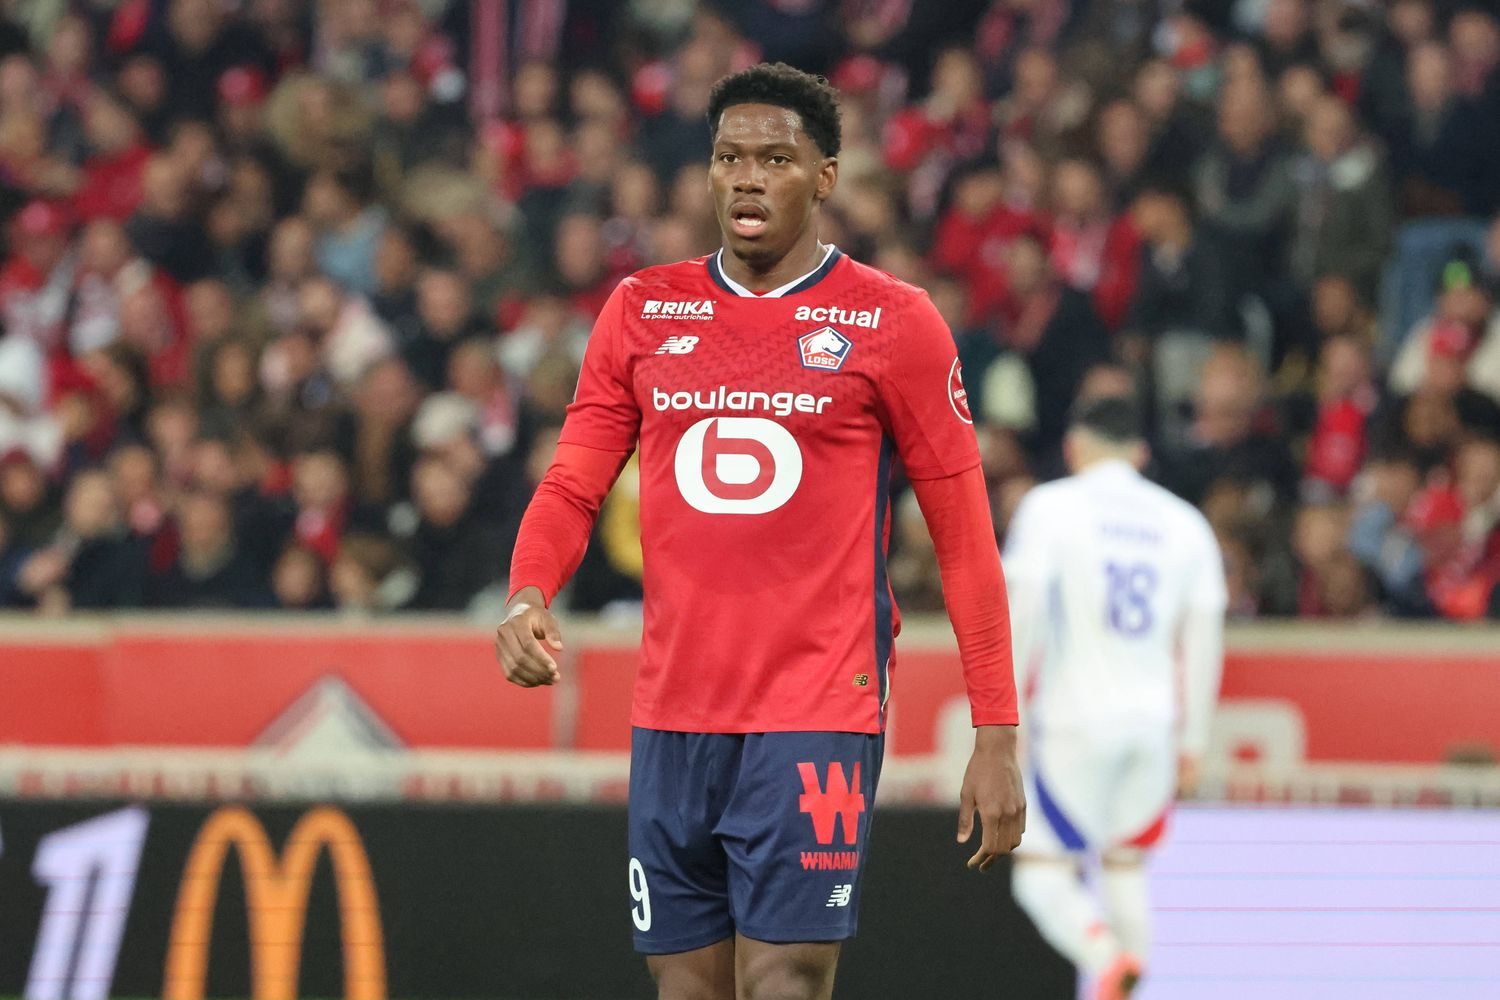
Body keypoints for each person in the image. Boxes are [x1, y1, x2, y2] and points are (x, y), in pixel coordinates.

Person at [493, 63, 1025, 1000]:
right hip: (673, 710)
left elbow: (966, 541)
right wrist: (528, 590)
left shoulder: (893, 322)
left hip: (817, 706)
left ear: (825, 177)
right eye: (729, 157)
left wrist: (997, 731)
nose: (747, 177)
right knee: (686, 989)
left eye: (776, 159)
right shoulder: (642, 310)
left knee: (784, 979)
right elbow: (574, 482)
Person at [1003, 396, 1227, 1000]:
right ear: (1141, 453)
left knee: (1040, 876)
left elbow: (1022, 611)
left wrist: (1004, 713)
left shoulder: (1051, 507)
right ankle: (1130, 978)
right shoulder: (1186, 523)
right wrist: (1194, 740)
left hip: (1074, 722)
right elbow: (1203, 638)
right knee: (1126, 868)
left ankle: (1106, 959)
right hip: (1152, 728)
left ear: (1074, 447)